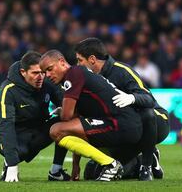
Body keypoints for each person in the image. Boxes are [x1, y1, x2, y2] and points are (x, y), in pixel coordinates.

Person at [39, 49, 143, 181]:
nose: (47, 75)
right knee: (90, 173)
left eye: (50, 69)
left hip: (121, 123)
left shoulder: (74, 73)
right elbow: (74, 123)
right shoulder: (77, 76)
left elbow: (66, 117)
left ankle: (111, 164)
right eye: (44, 72)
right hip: (123, 124)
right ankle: (133, 161)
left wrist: (62, 109)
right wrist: (75, 165)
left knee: (56, 130)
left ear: (61, 62)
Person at [74, 37, 170, 180]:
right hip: (127, 128)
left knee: (146, 113)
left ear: (92, 59)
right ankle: (145, 156)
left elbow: (149, 99)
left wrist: (132, 98)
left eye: (80, 60)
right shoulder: (89, 79)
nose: (77, 64)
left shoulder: (122, 71)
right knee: (92, 173)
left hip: (156, 121)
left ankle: (147, 166)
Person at [0, 51, 70, 182]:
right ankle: (8, 163)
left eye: (42, 72)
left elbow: (66, 102)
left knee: (66, 122)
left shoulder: (48, 81)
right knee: (20, 152)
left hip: (37, 131)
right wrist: (12, 163)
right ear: (23, 72)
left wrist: (64, 110)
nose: (40, 77)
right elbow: (5, 125)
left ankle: (56, 171)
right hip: (15, 134)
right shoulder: (9, 89)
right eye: (35, 73)